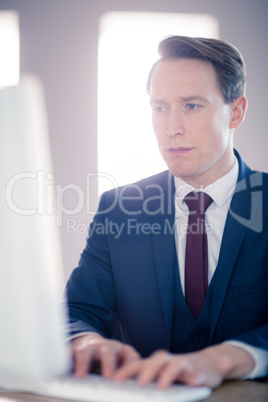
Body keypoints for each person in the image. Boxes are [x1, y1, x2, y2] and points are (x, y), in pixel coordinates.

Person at [66, 35, 268, 388]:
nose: (171, 127)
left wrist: (228, 357)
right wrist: (87, 342)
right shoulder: (119, 209)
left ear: (235, 112)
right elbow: (78, 311)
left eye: (191, 106)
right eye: (160, 108)